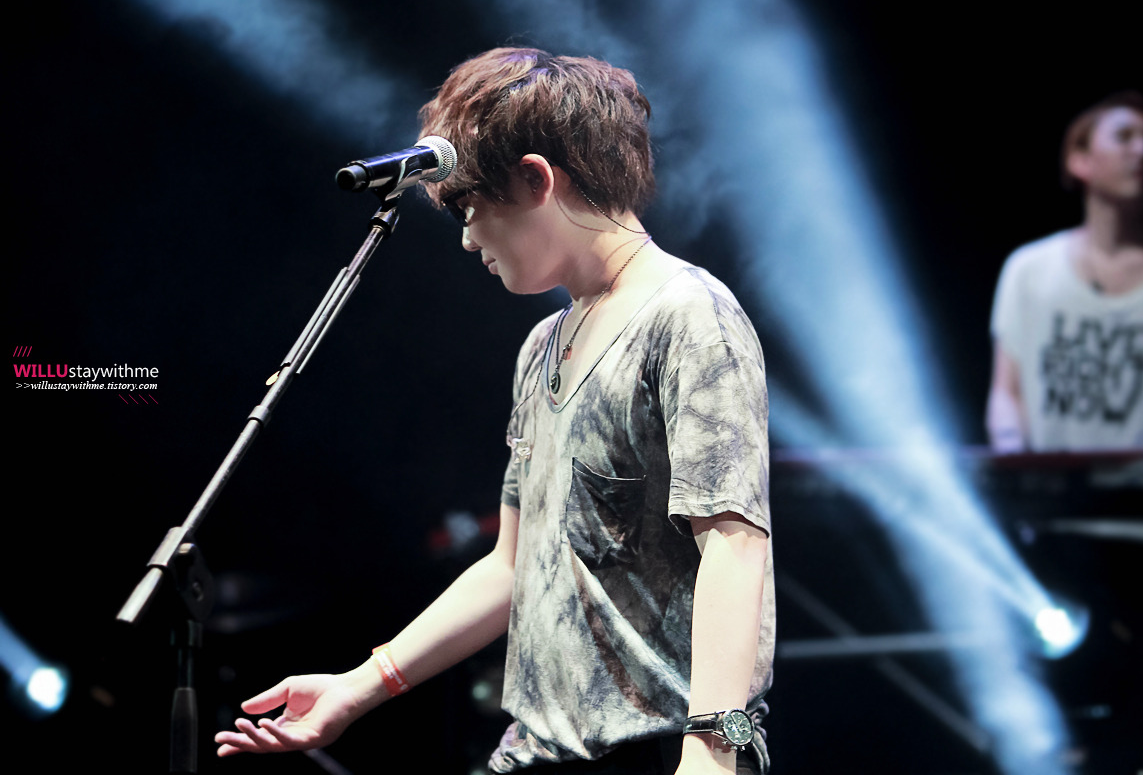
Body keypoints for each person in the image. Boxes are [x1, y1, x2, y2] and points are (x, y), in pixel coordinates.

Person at [214, 48, 775, 775]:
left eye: (469, 207)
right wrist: (358, 686)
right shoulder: (542, 347)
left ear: (537, 179)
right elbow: (511, 566)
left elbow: (734, 543)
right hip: (532, 753)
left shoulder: (690, 316)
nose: (467, 236)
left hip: (660, 750)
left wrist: (713, 749)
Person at [987, 91, 1143, 452]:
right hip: (1055, 489)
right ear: (1080, 160)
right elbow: (1007, 392)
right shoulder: (1030, 270)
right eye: (1124, 137)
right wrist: (1014, 456)